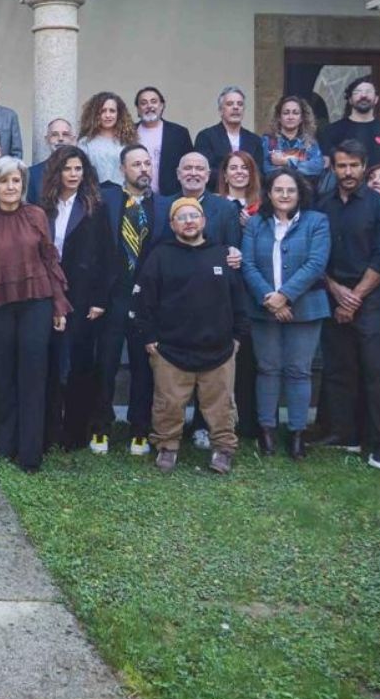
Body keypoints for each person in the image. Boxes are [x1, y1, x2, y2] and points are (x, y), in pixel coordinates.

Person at [0, 157, 69, 472]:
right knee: (3, 376)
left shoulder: (36, 215)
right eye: (4, 181)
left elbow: (50, 260)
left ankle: (30, 452)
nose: (10, 187)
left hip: (36, 303)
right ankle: (6, 444)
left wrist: (59, 304)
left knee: (33, 375)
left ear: (23, 185)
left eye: (16, 181)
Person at [135, 196, 250, 473]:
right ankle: (167, 447)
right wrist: (149, 337)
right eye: (182, 217)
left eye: (193, 216)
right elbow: (144, 300)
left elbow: (238, 299)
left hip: (219, 349)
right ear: (173, 224)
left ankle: (223, 450)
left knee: (221, 406)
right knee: (168, 404)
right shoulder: (160, 256)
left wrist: (237, 337)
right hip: (170, 349)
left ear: (204, 221)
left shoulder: (222, 255)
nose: (189, 222)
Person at [314, 140, 380, 469]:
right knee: (339, 370)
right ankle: (344, 434)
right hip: (332, 294)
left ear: (364, 167)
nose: (348, 172)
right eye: (342, 165)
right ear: (334, 167)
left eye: (353, 165)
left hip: (371, 299)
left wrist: (354, 298)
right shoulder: (323, 205)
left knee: (376, 373)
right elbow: (315, 254)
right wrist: (336, 290)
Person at [241, 168, 330, 458]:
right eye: (278, 189)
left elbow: (316, 263)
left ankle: (296, 433)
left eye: (291, 190)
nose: (284, 195)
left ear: (300, 193)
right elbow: (247, 264)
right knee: (267, 368)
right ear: (268, 193)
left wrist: (285, 296)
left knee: (299, 370)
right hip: (264, 306)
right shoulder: (256, 223)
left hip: (305, 307)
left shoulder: (317, 221)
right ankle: (266, 431)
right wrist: (270, 298)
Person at [40, 145, 114, 452]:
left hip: (83, 294)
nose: (73, 174)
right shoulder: (43, 206)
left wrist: (100, 299)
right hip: (47, 291)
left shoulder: (95, 207)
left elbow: (107, 255)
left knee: (80, 362)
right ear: (56, 172)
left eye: (78, 169)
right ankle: (49, 428)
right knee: (51, 360)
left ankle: (75, 431)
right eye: (67, 169)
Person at [96, 143, 163, 457]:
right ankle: (100, 426)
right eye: (136, 164)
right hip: (113, 296)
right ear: (123, 169)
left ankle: (140, 429)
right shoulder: (107, 200)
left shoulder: (162, 206)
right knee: (105, 364)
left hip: (147, 301)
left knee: (143, 366)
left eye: (147, 163)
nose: (143, 169)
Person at [317, 77, 380, 165]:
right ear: (350, 100)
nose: (363, 95)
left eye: (369, 92)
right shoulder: (331, 130)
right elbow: (326, 165)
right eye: (357, 92)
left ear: (376, 99)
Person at [132, 86, 195, 197]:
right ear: (138, 109)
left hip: (171, 197)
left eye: (154, 101)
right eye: (143, 103)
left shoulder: (179, 133)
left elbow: (189, 165)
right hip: (134, 196)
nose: (149, 106)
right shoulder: (128, 133)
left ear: (161, 106)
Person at [194, 86, 267, 179]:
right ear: (221, 110)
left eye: (240, 104)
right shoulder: (206, 137)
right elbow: (205, 170)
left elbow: (259, 173)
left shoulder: (254, 140)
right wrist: (233, 178)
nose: (236, 107)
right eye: (230, 104)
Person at [262, 94, 325, 187]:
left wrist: (287, 162)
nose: (290, 117)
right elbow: (266, 169)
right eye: (286, 113)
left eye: (295, 113)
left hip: (303, 192)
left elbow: (317, 167)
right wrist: (301, 165)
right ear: (279, 117)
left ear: (301, 118)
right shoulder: (268, 141)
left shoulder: (310, 143)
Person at [78, 92, 133, 184]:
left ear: (119, 114)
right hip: (94, 191)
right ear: (95, 114)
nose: (108, 115)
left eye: (112, 111)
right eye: (103, 111)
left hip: (123, 191)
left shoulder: (128, 142)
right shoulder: (85, 143)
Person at [221, 150, 262, 216]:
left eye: (245, 168)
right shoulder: (215, 204)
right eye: (233, 168)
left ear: (252, 174)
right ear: (225, 174)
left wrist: (252, 222)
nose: (239, 171)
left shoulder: (261, 207)